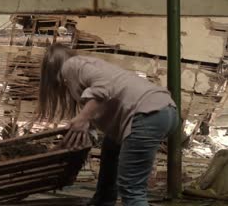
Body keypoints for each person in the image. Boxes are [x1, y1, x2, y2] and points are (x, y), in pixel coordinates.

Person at [38, 43, 178, 206]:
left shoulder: (71, 65)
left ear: (50, 70)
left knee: (132, 188)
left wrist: (83, 117)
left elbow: (104, 87)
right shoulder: (88, 67)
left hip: (147, 115)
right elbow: (103, 103)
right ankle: (103, 201)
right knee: (110, 149)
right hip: (163, 111)